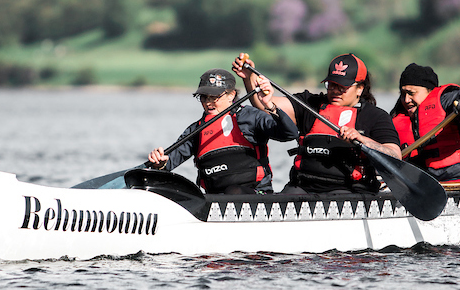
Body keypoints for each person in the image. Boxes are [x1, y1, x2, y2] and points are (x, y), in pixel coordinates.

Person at [232, 53, 401, 194]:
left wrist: (362, 139)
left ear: (360, 88)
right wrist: (249, 78)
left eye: (342, 87)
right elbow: (263, 104)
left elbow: (395, 156)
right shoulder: (310, 104)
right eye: (331, 84)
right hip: (303, 188)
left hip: (349, 191)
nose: (335, 90)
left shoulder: (375, 116)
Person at [147, 68, 298, 194]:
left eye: (214, 97)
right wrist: (159, 163)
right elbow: (168, 163)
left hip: (256, 194)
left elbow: (289, 134)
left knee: (234, 192)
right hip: (215, 200)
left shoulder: (250, 117)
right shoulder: (196, 130)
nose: (208, 102)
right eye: (204, 97)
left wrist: (270, 105)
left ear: (231, 95)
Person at [390, 63, 460, 182]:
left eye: (411, 93)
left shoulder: (448, 100)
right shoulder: (399, 113)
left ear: (430, 91)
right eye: (403, 94)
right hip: (435, 182)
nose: (406, 100)